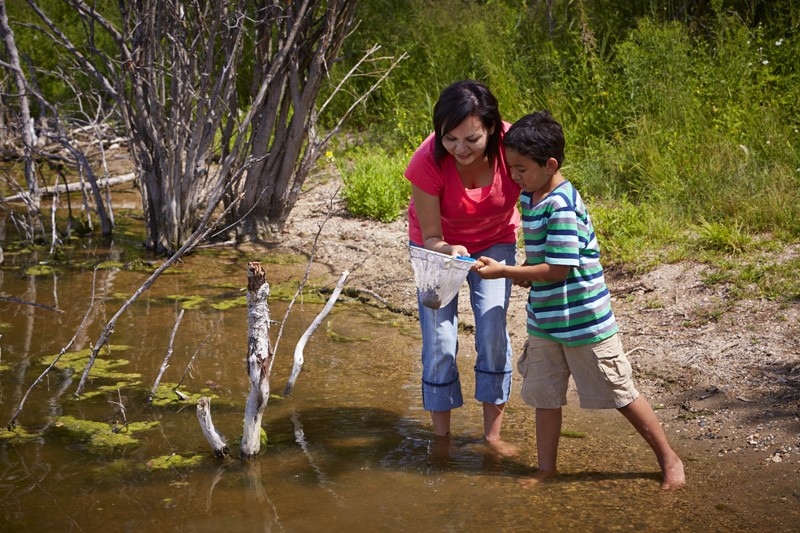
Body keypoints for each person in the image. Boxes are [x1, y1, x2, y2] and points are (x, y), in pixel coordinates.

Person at [476, 111, 686, 489]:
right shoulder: (531, 196)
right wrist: (526, 272)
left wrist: (507, 272)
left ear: (550, 164)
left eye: (521, 168)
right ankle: (546, 468)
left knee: (619, 392)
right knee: (544, 396)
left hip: (585, 322)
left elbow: (558, 270)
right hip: (546, 321)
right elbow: (543, 261)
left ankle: (669, 458)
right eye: (511, 168)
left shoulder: (562, 206)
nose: (514, 176)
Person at [404, 80, 521, 456]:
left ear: (491, 127)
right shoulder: (427, 160)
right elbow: (431, 236)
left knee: (491, 327)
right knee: (439, 339)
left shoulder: (514, 147)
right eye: (450, 139)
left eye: (471, 139)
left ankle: (492, 438)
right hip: (438, 247)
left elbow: (542, 191)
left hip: (496, 238)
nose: (460, 149)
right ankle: (442, 441)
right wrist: (450, 251)